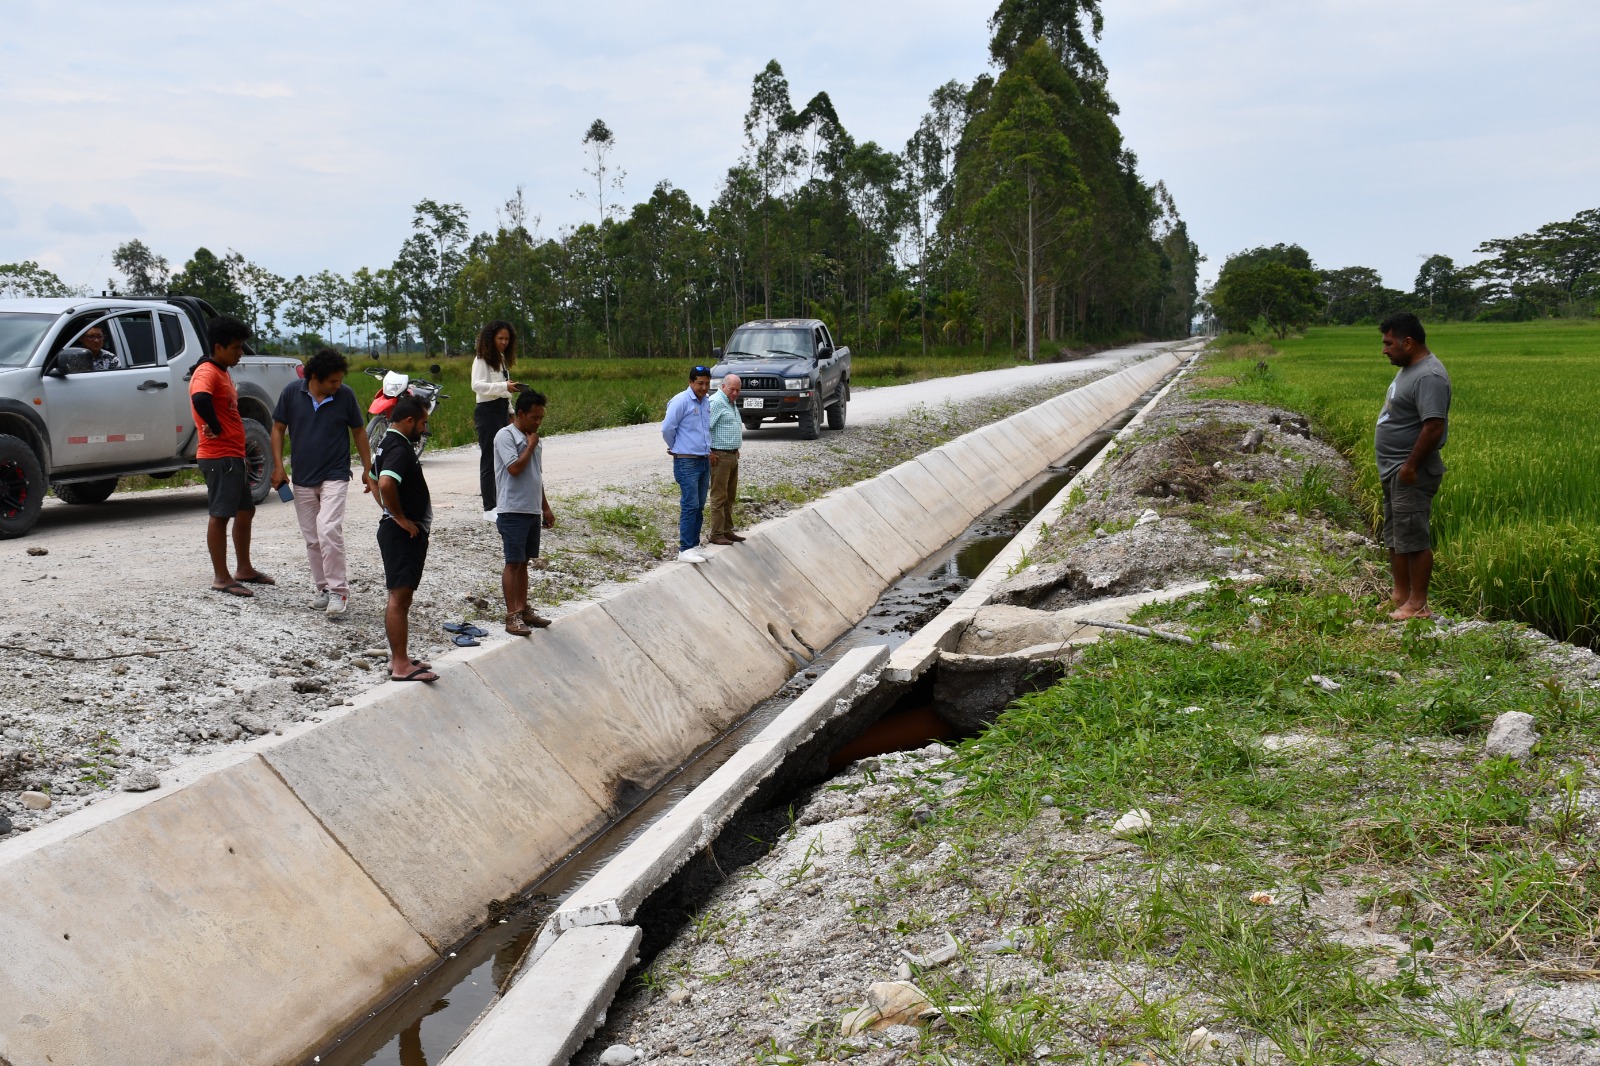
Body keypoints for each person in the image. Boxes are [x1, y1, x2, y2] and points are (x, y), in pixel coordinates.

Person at [270, 348, 374, 615]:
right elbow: (278, 429)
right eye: (333, 381)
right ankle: (324, 589)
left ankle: (339, 591)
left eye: (340, 380)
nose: (338, 386)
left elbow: (359, 431)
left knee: (328, 529)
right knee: (313, 538)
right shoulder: (292, 393)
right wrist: (278, 466)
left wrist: (368, 467)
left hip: (335, 474)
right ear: (314, 377)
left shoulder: (345, 396)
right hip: (303, 477)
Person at [1375, 311, 1451, 621]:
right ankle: (1400, 595)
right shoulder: (1409, 368)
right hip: (1395, 469)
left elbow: (1433, 426)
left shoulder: (1429, 375)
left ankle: (1418, 605)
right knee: (1395, 535)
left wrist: (1410, 466)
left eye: (1388, 343)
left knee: (1414, 539)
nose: (1384, 349)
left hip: (1410, 471)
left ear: (1408, 342)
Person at [190, 315, 272, 596]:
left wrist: (239, 451)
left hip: (232, 455)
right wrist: (215, 426)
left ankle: (244, 569)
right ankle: (221, 577)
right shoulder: (207, 372)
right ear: (218, 347)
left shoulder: (222, 370)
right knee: (221, 514)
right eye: (236, 348)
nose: (240, 353)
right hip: (218, 456)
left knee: (245, 510)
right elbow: (199, 398)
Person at [373, 395, 437, 682]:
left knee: (402, 596)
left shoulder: (385, 443)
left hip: (398, 530)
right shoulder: (399, 447)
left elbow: (371, 478)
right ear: (410, 421)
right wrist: (397, 516)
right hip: (402, 533)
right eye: (423, 423)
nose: (424, 429)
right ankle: (400, 665)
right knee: (399, 597)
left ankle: (399, 657)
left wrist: (388, 510)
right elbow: (385, 482)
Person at [494, 389, 557, 635]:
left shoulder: (534, 438)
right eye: (534, 417)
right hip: (513, 509)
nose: (538, 422)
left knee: (524, 562)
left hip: (531, 509)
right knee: (513, 562)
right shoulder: (505, 436)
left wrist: (545, 506)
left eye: (541, 417)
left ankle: (523, 609)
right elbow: (515, 468)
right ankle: (512, 616)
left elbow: (536, 475)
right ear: (520, 413)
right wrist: (530, 446)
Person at [660, 365, 713, 563]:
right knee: (689, 504)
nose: (704, 387)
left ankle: (694, 545)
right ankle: (685, 548)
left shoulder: (706, 401)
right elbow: (667, 428)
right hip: (686, 461)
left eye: (707, 383)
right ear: (691, 382)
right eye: (700, 383)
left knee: (699, 504)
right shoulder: (681, 401)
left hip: (703, 459)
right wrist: (676, 446)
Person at [472, 320, 524, 521]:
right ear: (490, 338)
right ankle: (489, 508)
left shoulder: (501, 359)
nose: (503, 342)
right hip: (487, 411)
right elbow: (477, 385)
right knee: (489, 459)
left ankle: (501, 502)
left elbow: (505, 389)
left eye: (507, 339)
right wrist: (503, 386)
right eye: (500, 338)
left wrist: (511, 412)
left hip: (502, 409)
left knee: (504, 458)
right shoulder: (481, 359)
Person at [706, 373, 746, 546]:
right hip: (719, 456)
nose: (735, 393)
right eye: (732, 389)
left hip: (732, 454)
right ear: (723, 386)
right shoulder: (716, 403)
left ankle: (727, 530)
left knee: (730, 495)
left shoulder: (731, 403)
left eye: (738, 390)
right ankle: (716, 533)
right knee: (719, 496)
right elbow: (703, 428)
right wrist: (708, 452)